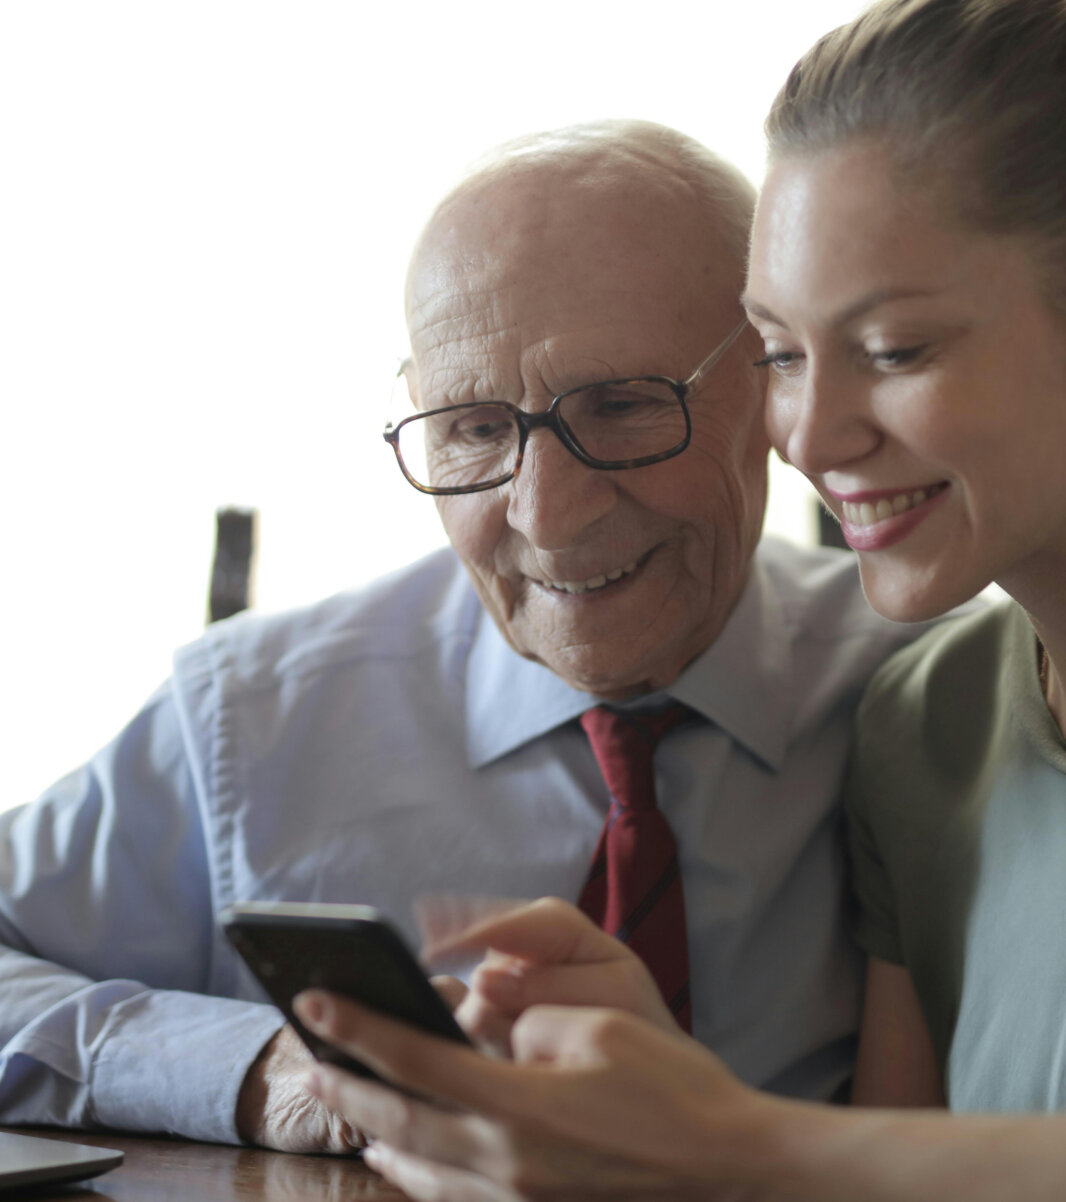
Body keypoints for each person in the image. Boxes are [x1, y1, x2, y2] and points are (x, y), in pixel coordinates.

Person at [0, 120, 928, 1150]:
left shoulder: (933, 693)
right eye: (476, 429)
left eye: (622, 406)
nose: (547, 513)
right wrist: (255, 1068)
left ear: (774, 378)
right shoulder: (252, 718)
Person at [287, 0, 1066, 1196]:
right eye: (783, 354)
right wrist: (646, 1120)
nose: (803, 432)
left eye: (896, 347)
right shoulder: (924, 723)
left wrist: (722, 1135)